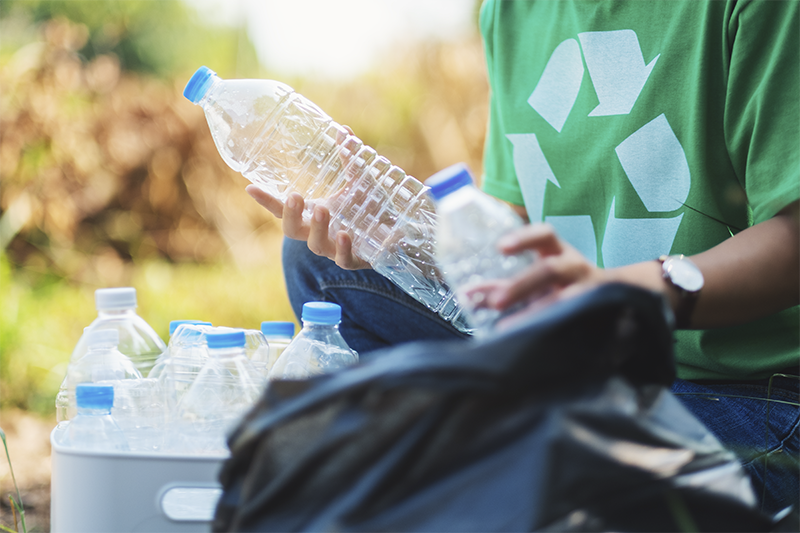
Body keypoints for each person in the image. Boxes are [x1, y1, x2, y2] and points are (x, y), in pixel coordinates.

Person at [247, 0, 800, 515]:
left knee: (496, 471)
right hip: (574, 363)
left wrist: (629, 292)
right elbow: (515, 226)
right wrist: (406, 243)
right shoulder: (513, 11)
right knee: (318, 264)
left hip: (744, 392)